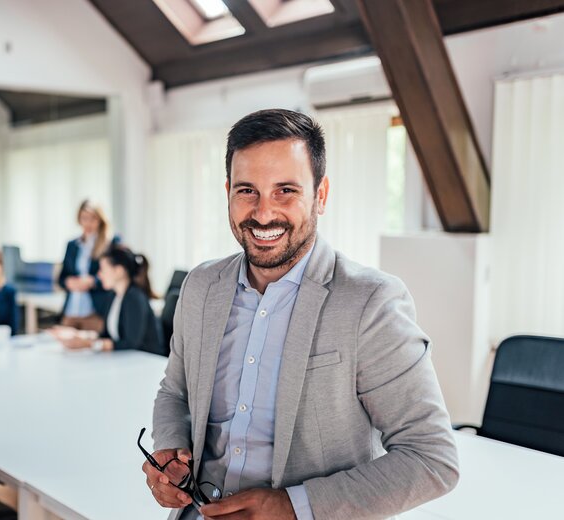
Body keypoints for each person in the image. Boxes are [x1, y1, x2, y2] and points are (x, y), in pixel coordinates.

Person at [143, 109, 458, 520]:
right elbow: (175, 393)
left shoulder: (371, 302)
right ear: (228, 193)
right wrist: (169, 450)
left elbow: (432, 458)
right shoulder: (201, 286)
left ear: (321, 195)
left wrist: (294, 507)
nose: (262, 212)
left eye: (285, 190)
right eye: (247, 191)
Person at [53, 245, 162, 355]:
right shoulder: (113, 296)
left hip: (145, 361)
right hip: (126, 360)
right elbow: (106, 334)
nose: (99, 275)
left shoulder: (134, 298)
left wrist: (89, 344)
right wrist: (78, 335)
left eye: (102, 269)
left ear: (118, 271)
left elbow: (131, 343)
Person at [57, 200, 118, 332]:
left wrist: (92, 281)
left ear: (100, 220)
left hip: (95, 312)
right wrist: (68, 282)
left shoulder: (110, 243)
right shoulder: (72, 245)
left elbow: (117, 275)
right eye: (84, 218)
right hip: (71, 311)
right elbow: (61, 278)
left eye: (93, 219)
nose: (88, 223)